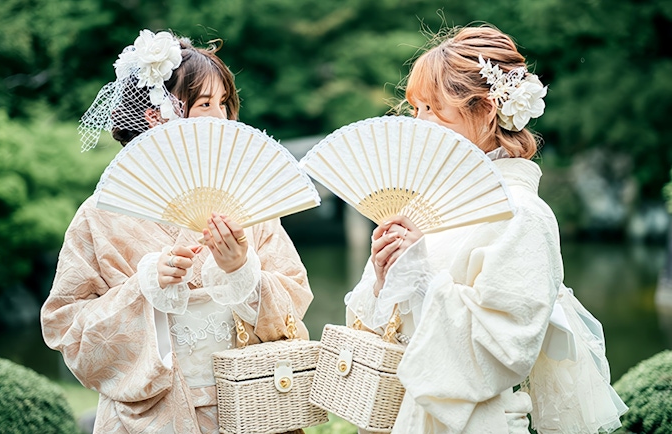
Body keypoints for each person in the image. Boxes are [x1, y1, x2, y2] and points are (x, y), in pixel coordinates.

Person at [344, 25, 628, 434]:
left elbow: (507, 348)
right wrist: (386, 274)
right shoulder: (420, 203)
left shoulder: (524, 214)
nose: (417, 124)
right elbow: (372, 326)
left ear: (485, 110)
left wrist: (421, 275)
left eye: (432, 109)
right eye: (416, 109)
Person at [40, 29, 313, 434]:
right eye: (205, 104)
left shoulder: (248, 201)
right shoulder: (99, 214)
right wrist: (144, 288)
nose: (220, 117)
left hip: (251, 403)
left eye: (224, 103)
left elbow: (295, 298)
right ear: (156, 115)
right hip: (151, 414)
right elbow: (66, 326)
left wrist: (243, 272)